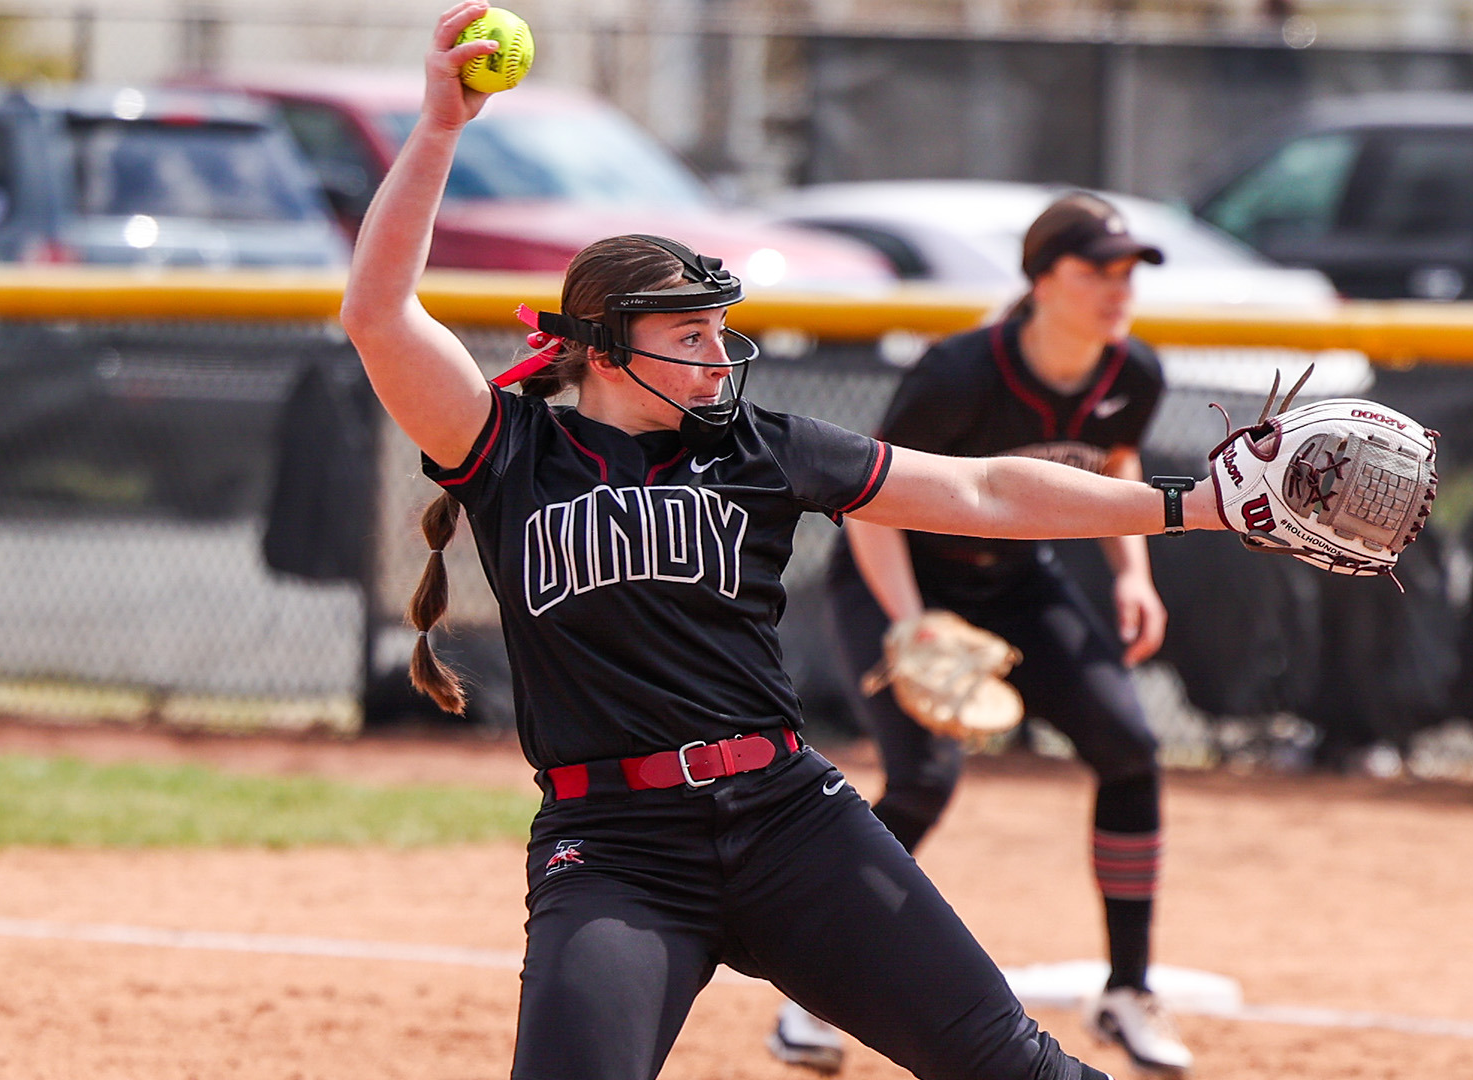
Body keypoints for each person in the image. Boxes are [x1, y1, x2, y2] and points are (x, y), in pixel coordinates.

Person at [341, 7, 1227, 1079]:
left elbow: (987, 489)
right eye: (690, 336)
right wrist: (439, 129)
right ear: (607, 353)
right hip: (615, 850)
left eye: (723, 330)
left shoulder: (765, 448)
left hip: (789, 821)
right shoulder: (511, 449)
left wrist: (1199, 503)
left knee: (1017, 1068)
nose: (721, 355)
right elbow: (380, 314)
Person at [768, 193, 1195, 1077]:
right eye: (1095, 270)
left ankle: (1126, 990)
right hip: (898, 577)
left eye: (1128, 273)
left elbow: (1113, 467)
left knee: (1129, 746)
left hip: (1016, 582)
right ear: (1040, 281)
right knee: (923, 781)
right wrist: (911, 622)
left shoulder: (1134, 373)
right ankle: (809, 997)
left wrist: (1132, 574)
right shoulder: (962, 373)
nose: (1117, 290)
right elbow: (869, 499)